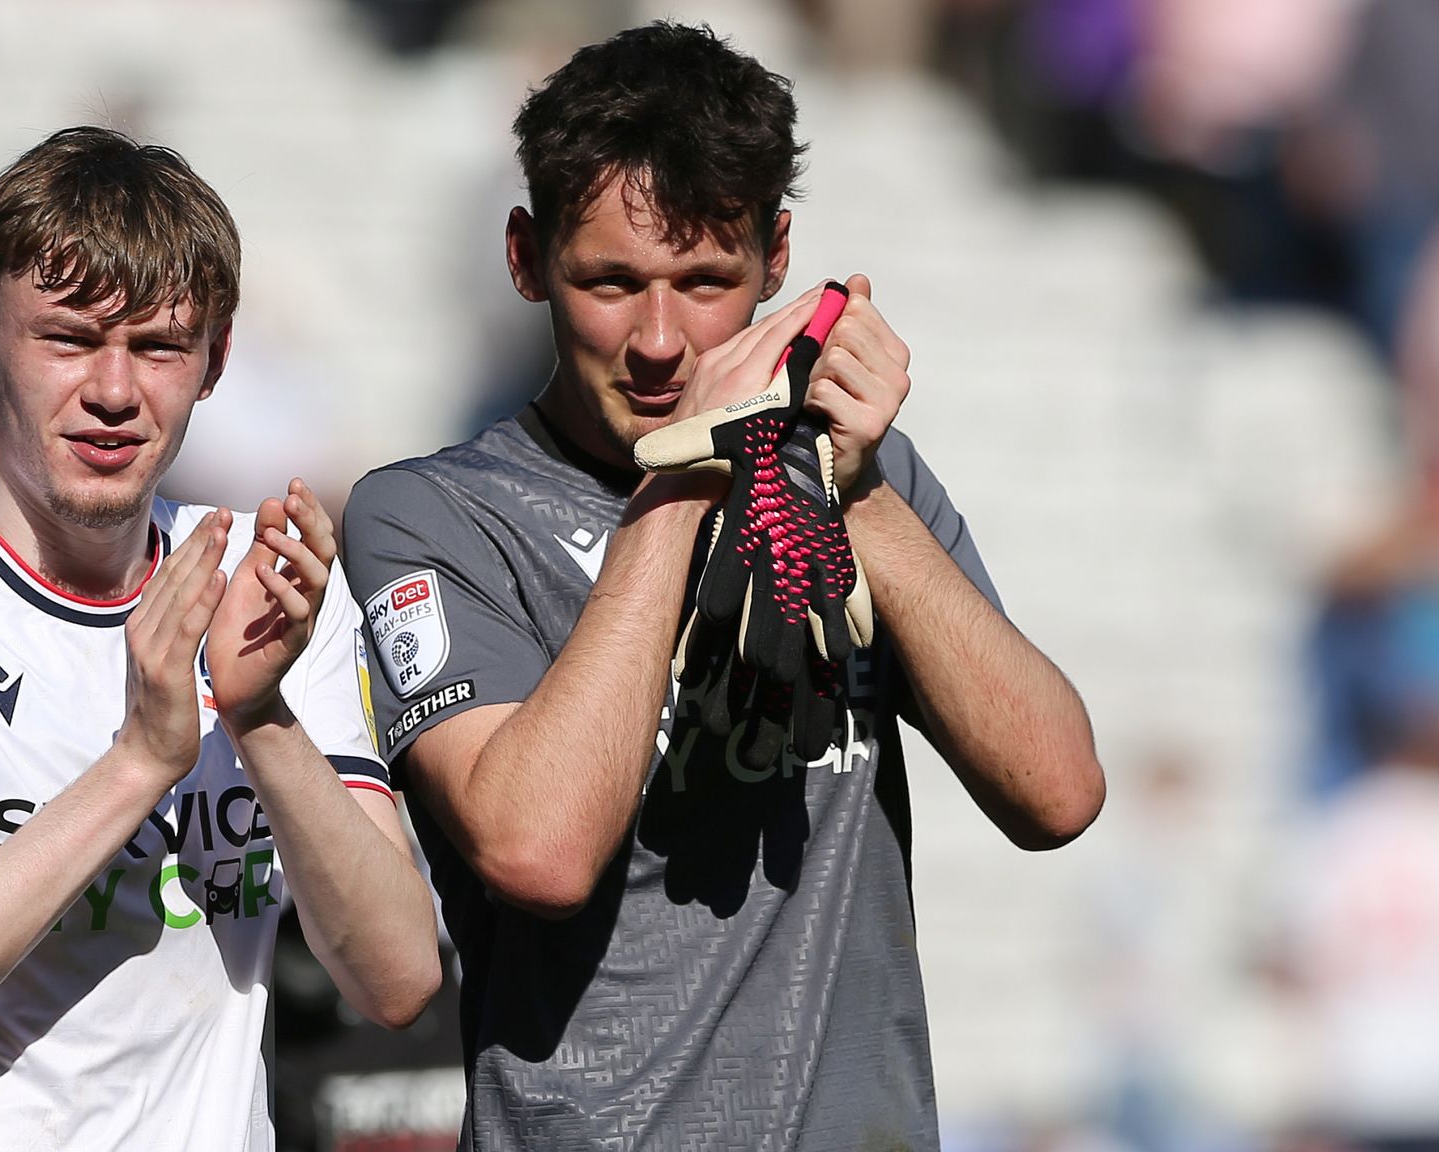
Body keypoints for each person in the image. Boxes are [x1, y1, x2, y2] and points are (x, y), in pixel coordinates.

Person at [341, 22, 1105, 1149]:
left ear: (777, 257)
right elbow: (536, 852)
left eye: (705, 282)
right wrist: (689, 478)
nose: (658, 340)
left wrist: (852, 491)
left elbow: (1057, 793)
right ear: (523, 256)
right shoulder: (431, 514)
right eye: (609, 282)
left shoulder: (858, 483)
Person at [0, 126, 439, 1151]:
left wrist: (261, 718)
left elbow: (398, 981)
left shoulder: (269, 588)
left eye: (158, 346)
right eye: (68, 339)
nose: (114, 392)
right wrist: (139, 765)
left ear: (215, 359)